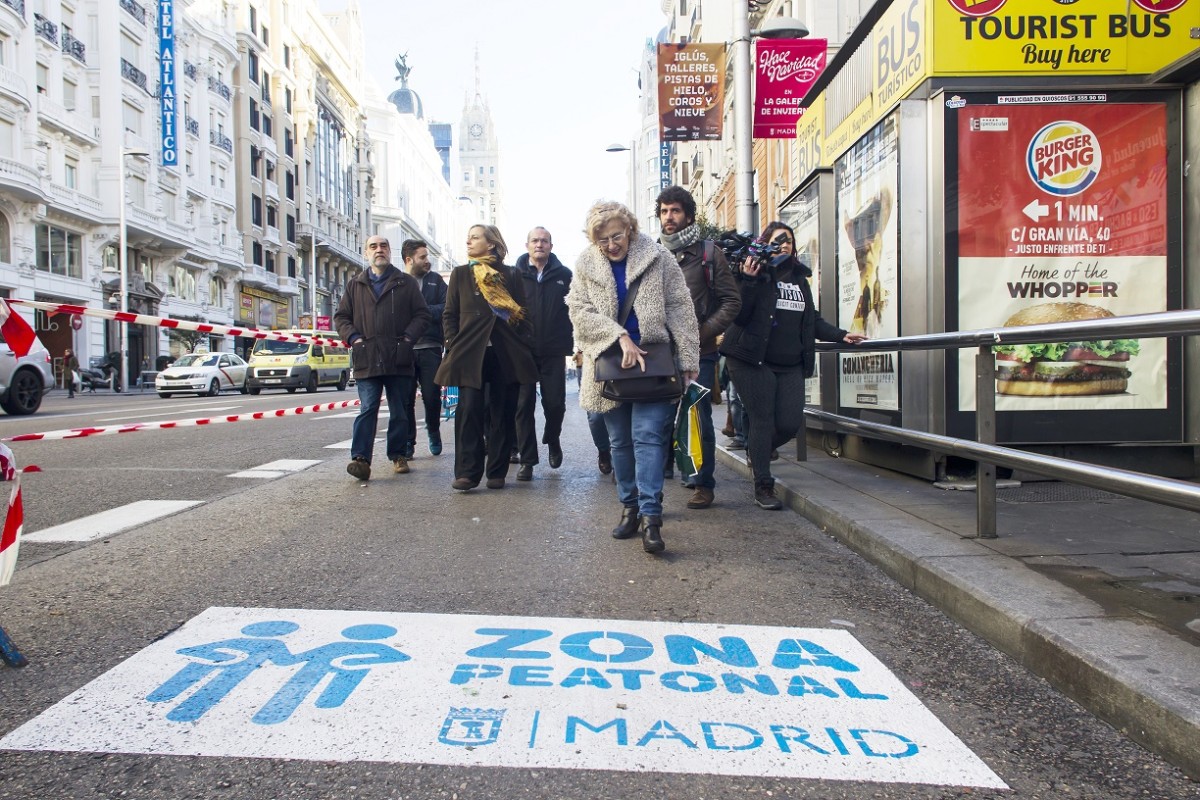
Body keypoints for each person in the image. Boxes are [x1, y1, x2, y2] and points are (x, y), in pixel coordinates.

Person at [568, 201, 699, 555]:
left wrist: (688, 358)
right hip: (610, 364)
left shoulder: (658, 257)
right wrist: (618, 335)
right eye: (602, 240)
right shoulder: (586, 263)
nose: (611, 245)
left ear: (630, 229)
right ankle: (630, 507)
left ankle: (651, 517)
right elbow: (578, 310)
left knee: (648, 438)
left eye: (616, 236)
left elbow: (680, 307)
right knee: (620, 443)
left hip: (654, 363)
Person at [720, 221, 866, 510]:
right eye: (777, 240)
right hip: (751, 360)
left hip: (790, 364)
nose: (784, 244)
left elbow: (811, 319)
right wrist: (749, 280)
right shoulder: (753, 273)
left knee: (789, 423)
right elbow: (740, 316)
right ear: (765, 245)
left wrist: (841, 335)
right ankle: (763, 484)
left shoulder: (800, 278)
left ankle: (758, 449)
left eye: (788, 240)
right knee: (762, 419)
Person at [656, 185, 740, 510]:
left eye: (675, 211)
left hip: (700, 352)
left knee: (699, 417)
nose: (669, 217)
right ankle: (657, 484)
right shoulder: (653, 254)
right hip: (661, 353)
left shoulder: (708, 253)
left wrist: (702, 332)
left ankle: (704, 483)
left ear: (688, 216)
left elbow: (731, 302)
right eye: (664, 211)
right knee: (659, 419)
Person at [434, 224, 537, 491]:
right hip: (470, 353)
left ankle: (497, 471)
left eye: (475, 237)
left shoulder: (511, 274)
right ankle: (467, 473)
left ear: (491, 243)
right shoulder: (460, 274)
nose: (468, 242)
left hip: (505, 352)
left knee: (502, 412)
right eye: (468, 238)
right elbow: (450, 314)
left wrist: (522, 343)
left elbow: (523, 313)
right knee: (469, 411)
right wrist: (452, 343)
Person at [334, 236, 432, 481]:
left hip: (398, 357)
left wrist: (407, 339)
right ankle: (360, 459)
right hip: (367, 356)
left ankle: (398, 455)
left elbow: (422, 315)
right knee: (368, 408)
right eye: (374, 247)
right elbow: (341, 317)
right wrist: (354, 338)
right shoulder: (355, 284)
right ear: (366, 253)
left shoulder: (406, 282)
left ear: (390, 252)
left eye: (384, 246)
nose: (379, 250)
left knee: (399, 410)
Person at [512, 227, 574, 482]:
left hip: (553, 350)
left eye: (544, 241)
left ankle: (553, 438)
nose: (540, 244)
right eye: (535, 241)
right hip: (522, 351)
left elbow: (575, 310)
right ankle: (527, 460)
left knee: (555, 404)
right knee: (523, 406)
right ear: (527, 245)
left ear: (551, 246)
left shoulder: (565, 275)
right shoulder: (514, 275)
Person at [400, 239, 448, 458]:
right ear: (409, 260)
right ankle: (408, 442)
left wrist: (422, 311)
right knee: (406, 399)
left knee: (432, 396)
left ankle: (434, 432)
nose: (427, 261)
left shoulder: (436, 281)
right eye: (423, 257)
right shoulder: (398, 281)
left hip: (431, 347)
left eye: (427, 256)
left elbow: (447, 307)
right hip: (405, 349)